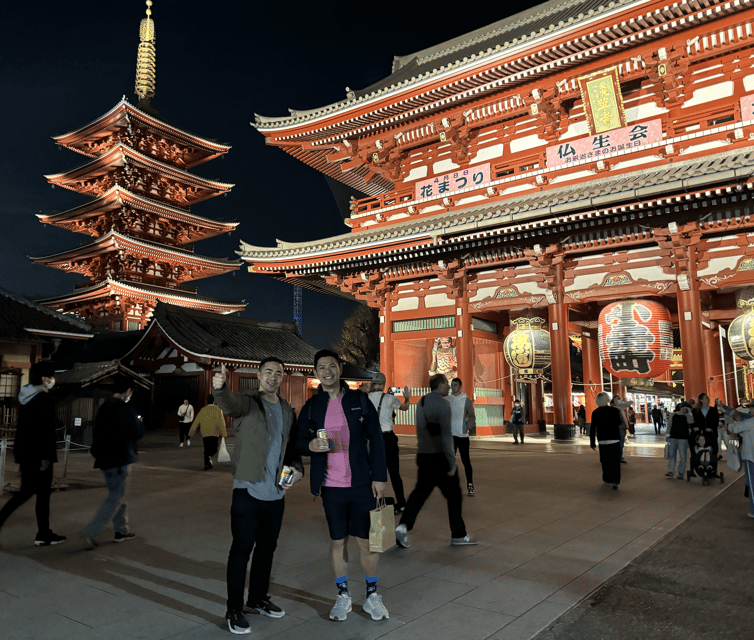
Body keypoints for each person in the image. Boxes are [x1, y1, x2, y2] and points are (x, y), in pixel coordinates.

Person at [296, 350, 388, 622]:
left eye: (332, 366)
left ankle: (372, 596)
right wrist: (310, 445)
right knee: (338, 543)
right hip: (331, 486)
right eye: (321, 367)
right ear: (316, 373)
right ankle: (343, 596)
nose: (327, 371)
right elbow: (299, 441)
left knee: (368, 543)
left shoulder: (359, 400)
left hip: (361, 484)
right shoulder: (312, 407)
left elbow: (376, 438)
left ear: (339, 369)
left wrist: (379, 476)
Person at [213, 358, 304, 635]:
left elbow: (291, 449)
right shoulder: (248, 403)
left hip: (275, 495)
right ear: (258, 374)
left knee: (267, 550)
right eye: (268, 372)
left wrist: (296, 471)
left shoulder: (287, 409)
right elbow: (229, 403)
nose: (273, 377)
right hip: (248, 491)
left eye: (278, 373)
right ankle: (234, 609)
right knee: (241, 551)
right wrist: (220, 388)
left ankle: (258, 598)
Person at [395, 373, 477, 549]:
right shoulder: (444, 404)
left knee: (419, 493)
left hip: (423, 454)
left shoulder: (422, 402)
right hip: (439, 457)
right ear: (440, 385)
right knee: (454, 495)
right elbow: (447, 436)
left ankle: (403, 526)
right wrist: (451, 461)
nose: (448, 386)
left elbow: (420, 429)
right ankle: (458, 534)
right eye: (446, 384)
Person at [0, 361, 66, 546]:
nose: (53, 379)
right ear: (44, 378)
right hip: (40, 455)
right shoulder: (44, 399)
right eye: (51, 376)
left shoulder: (25, 396)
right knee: (42, 495)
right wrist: (46, 457)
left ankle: (43, 532)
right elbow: (45, 431)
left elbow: (24, 430)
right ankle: (43, 534)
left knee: (26, 492)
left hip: (25, 453)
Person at [81, 374, 144, 547]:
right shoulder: (125, 409)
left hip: (104, 459)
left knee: (117, 494)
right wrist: (140, 422)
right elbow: (137, 432)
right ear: (128, 391)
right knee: (115, 497)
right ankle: (90, 531)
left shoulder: (104, 407)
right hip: (120, 459)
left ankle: (121, 530)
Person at [367, 373, 409, 514]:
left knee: (373, 472)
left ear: (373, 384)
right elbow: (405, 407)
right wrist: (407, 397)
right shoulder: (390, 398)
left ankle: (373, 501)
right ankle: (401, 503)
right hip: (388, 438)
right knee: (394, 473)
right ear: (384, 384)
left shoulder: (366, 399)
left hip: (372, 439)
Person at [448, 378, 476, 496]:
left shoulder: (466, 400)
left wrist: (467, 427)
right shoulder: (448, 400)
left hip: (463, 436)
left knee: (466, 461)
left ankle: (470, 484)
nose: (453, 387)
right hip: (451, 436)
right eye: (452, 385)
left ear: (460, 386)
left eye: (455, 385)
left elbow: (472, 416)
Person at [589, 392, 623, 489]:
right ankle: (615, 481)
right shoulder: (614, 411)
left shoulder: (595, 412)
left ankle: (607, 478)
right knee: (615, 461)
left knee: (605, 461)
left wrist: (592, 442)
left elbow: (592, 428)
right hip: (614, 439)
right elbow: (619, 423)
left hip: (603, 440)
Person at [726, 406, 754, 518]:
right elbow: (745, 432)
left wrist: (734, 418)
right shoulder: (749, 422)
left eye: (751, 408)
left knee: (751, 484)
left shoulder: (751, 422)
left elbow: (734, 429)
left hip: (750, 457)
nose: (750, 410)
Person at [188, 394, 228, 470]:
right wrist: (223, 433)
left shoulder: (203, 410)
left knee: (206, 449)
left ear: (207, 401)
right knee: (214, 449)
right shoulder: (218, 410)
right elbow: (221, 422)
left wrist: (191, 432)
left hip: (205, 433)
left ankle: (207, 463)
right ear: (214, 401)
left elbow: (196, 422)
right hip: (214, 433)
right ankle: (208, 461)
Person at [666, 401, 694, 479]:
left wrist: (689, 412)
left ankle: (681, 472)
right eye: (686, 408)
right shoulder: (673, 415)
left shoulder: (687, 416)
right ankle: (671, 471)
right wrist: (667, 435)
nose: (686, 410)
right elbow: (669, 425)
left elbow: (691, 421)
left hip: (683, 438)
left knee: (683, 456)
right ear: (682, 407)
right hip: (673, 437)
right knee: (672, 455)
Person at [692, 393, 719, 459]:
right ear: (701, 400)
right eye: (706, 398)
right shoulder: (695, 411)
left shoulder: (713, 410)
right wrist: (695, 427)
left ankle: (712, 462)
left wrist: (711, 428)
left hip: (711, 432)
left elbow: (716, 421)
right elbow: (693, 421)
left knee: (712, 446)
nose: (708, 399)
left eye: (708, 398)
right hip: (699, 432)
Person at [611, 395, 631, 463]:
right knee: (618, 443)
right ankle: (617, 457)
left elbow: (630, 402)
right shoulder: (614, 408)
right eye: (617, 400)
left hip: (622, 427)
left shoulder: (621, 408)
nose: (619, 401)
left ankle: (619, 456)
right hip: (617, 427)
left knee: (621, 442)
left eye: (619, 400)